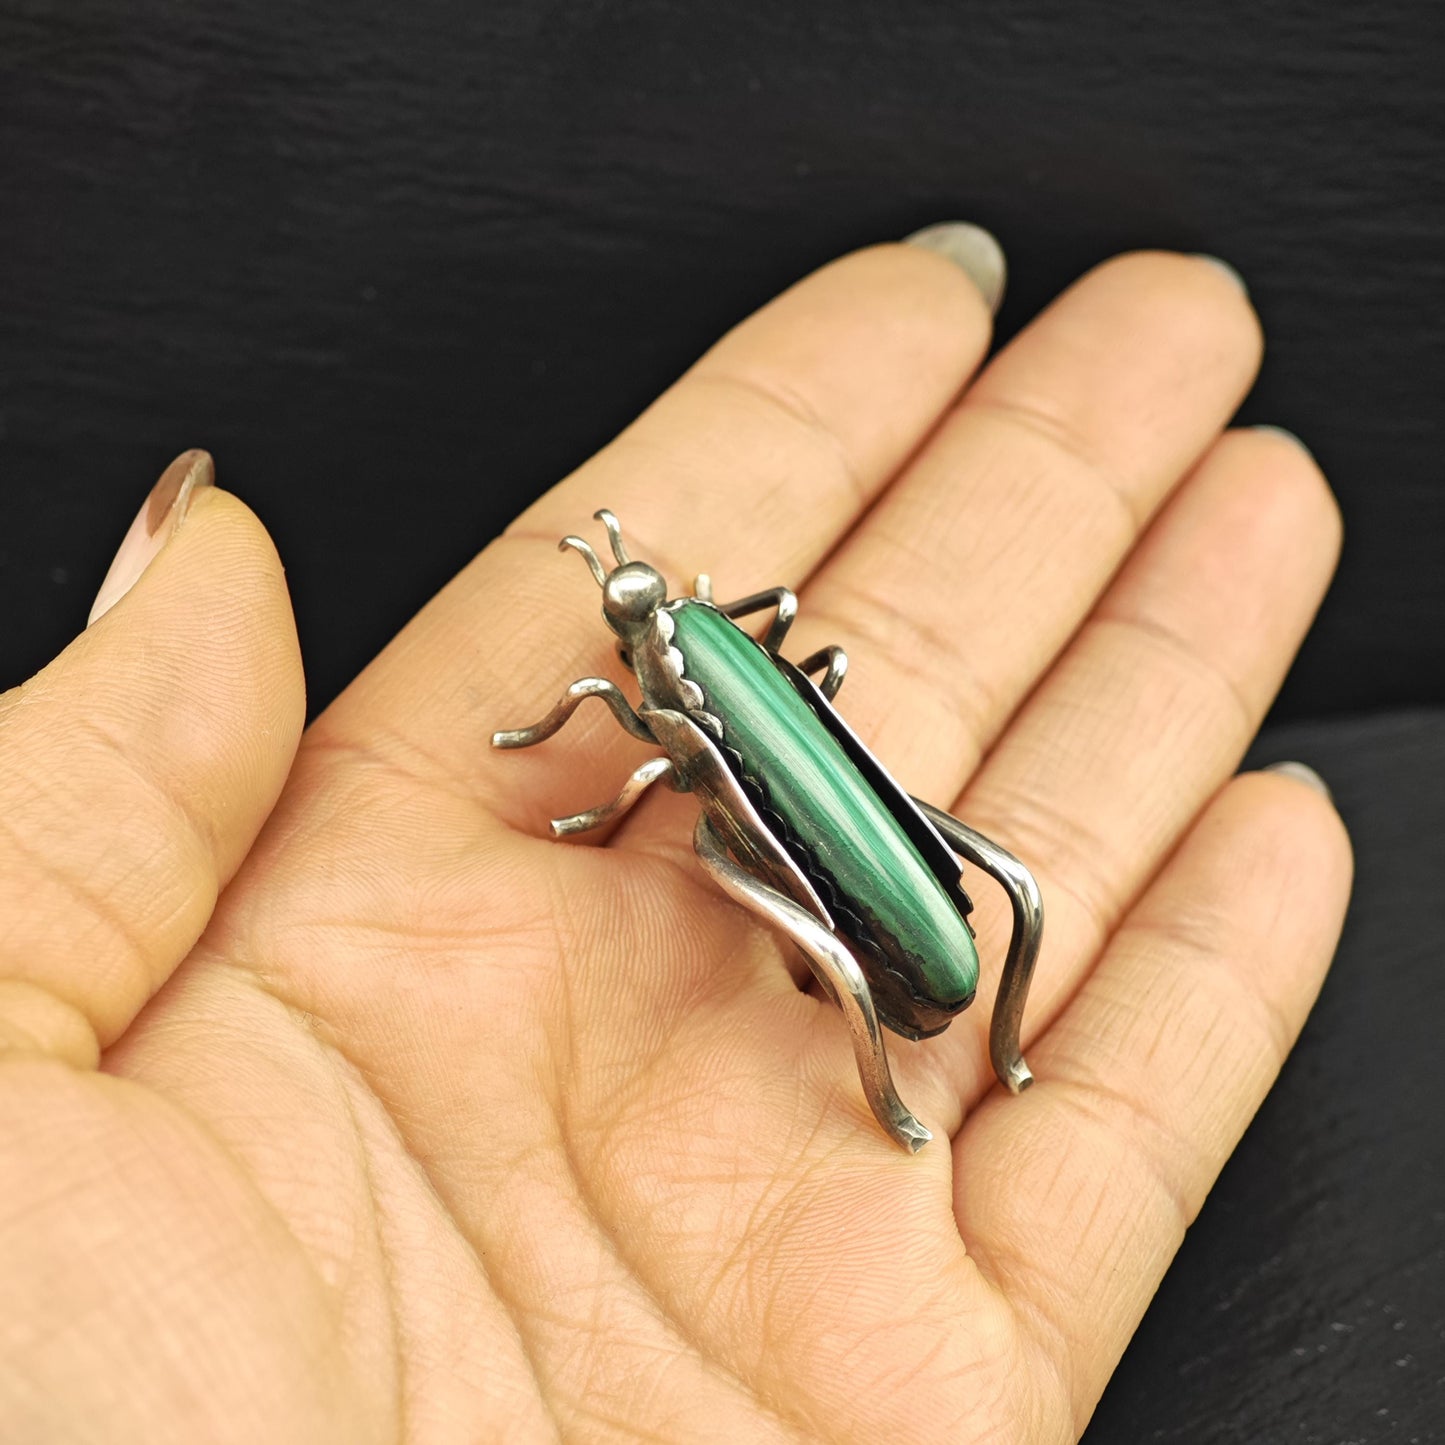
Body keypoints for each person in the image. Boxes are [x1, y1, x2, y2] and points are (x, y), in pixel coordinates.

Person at [0, 226, 1350, 1443]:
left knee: (877, 871)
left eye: (627, 611)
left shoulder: (676, 664)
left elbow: (660, 730)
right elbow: (688, 722)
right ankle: (942, 1046)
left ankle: (919, 1061)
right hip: (835, 842)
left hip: (857, 858)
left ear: (656, 627)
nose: (623, 634)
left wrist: (591, 772)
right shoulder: (700, 650)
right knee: (893, 869)